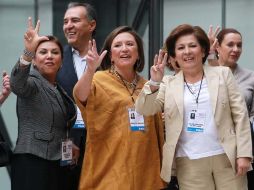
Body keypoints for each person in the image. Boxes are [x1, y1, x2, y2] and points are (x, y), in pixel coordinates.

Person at [135, 24, 252, 190]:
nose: (187, 52)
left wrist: (244, 154)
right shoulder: (168, 83)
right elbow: (145, 109)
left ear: (203, 51)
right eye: (181, 48)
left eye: (192, 46)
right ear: (174, 55)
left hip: (227, 157)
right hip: (189, 162)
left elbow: (240, 115)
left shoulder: (223, 74)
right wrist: (154, 82)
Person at [73, 26, 165, 189]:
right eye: (117, 45)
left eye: (130, 44)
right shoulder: (98, 79)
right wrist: (90, 69)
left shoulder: (147, 84)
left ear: (138, 54)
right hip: (109, 168)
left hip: (145, 169)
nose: (124, 49)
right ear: (111, 56)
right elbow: (80, 95)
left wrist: (155, 83)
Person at [10, 17, 77, 190]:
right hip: (32, 161)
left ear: (61, 61)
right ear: (34, 60)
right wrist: (27, 52)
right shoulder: (31, 82)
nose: (49, 56)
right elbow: (17, 83)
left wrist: (69, 145)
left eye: (55, 53)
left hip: (58, 162)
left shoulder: (60, 90)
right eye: (43, 52)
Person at [57, 3, 97, 188]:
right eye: (65, 21)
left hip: (101, 140)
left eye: (75, 20)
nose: (68, 25)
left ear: (91, 25)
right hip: (66, 142)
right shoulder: (56, 58)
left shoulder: (108, 57)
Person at [209, 27, 254, 190]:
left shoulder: (251, 77)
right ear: (217, 47)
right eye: (230, 45)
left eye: (239, 45)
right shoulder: (204, 73)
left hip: (238, 150)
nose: (236, 49)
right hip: (207, 148)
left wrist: (245, 152)